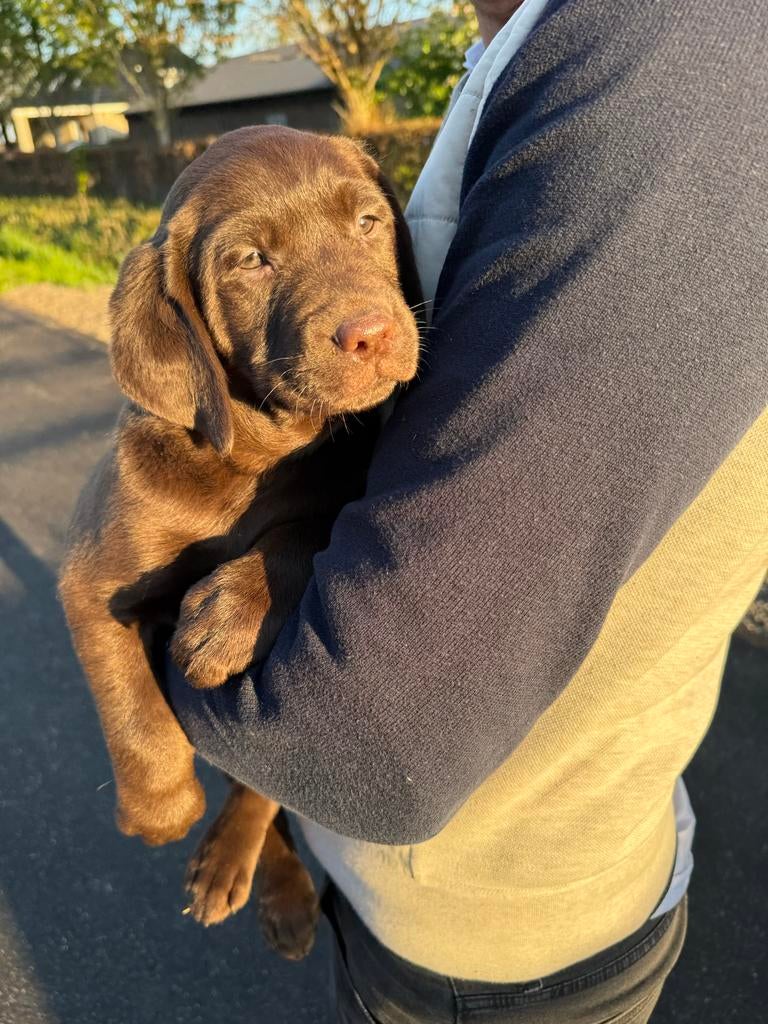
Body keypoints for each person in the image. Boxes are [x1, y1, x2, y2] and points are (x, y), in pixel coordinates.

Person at [167, 0, 768, 1020]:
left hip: (506, 935)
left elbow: (371, 742)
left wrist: (139, 648)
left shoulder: (677, 55)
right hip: (417, 886)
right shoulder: (532, 44)